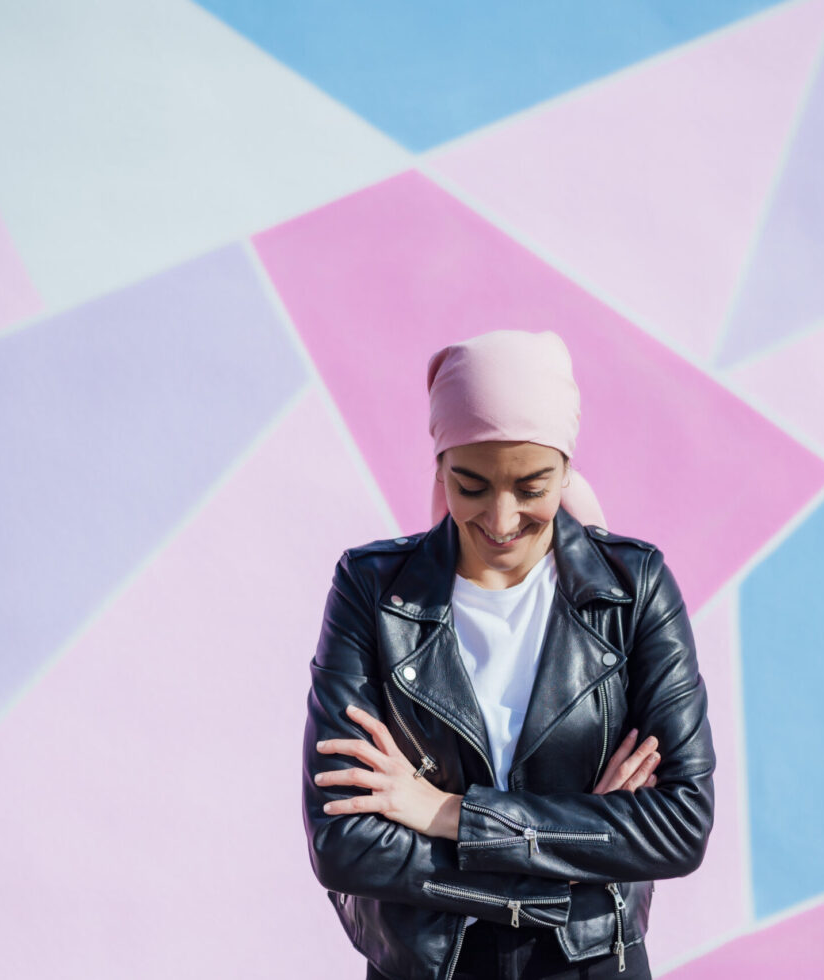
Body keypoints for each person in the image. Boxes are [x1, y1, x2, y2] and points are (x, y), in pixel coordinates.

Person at [302, 329, 716, 979]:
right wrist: (578, 848)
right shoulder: (372, 590)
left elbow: (677, 825)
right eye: (470, 485)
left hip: (590, 966)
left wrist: (445, 813)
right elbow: (343, 844)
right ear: (439, 465)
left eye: (531, 487)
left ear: (567, 470)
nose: (500, 519)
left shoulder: (632, 591)